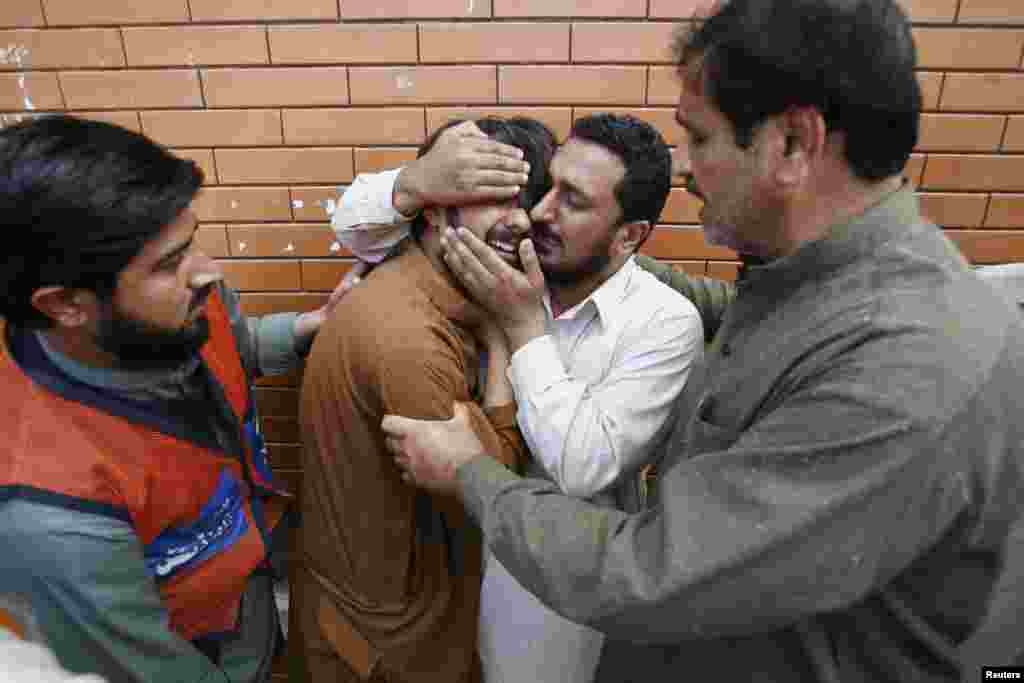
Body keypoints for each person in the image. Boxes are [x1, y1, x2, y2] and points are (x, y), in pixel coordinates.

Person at [382, 1, 1024, 680]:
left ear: (793, 145)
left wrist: (468, 474)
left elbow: (647, 571)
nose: (685, 172)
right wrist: (419, 192)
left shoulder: (904, 367)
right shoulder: (795, 280)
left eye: (700, 137)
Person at [333, 113, 705, 682]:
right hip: (446, 564)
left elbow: (584, 466)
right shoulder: (502, 255)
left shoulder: (661, 323)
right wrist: (414, 183)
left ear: (629, 235)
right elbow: (356, 229)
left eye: (572, 201)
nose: (539, 212)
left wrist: (524, 329)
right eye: (547, 186)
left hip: (547, 592)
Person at [0, 115, 349, 683]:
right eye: (167, 263)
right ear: (65, 304)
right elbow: (149, 667)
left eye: (190, 243)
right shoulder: (47, 510)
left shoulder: (178, 308)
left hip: (242, 599)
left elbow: (229, 348)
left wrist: (306, 329)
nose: (208, 272)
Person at [295, 117, 553, 683]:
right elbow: (487, 481)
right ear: (433, 210)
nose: (520, 217)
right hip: (393, 638)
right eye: (493, 196)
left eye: (528, 198)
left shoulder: (429, 287)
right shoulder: (411, 340)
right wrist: (500, 336)